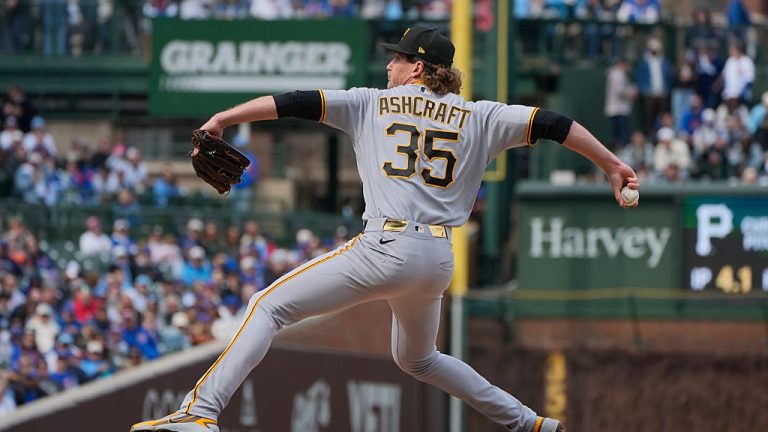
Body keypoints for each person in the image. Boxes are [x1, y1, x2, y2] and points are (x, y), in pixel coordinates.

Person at [130, 26, 638, 432]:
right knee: (418, 358)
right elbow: (554, 123)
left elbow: (293, 101)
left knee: (268, 305)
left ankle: (200, 413)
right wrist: (612, 165)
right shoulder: (481, 115)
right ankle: (526, 422)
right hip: (437, 260)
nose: (389, 64)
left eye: (397, 57)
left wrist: (224, 117)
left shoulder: (370, 102)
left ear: (419, 66)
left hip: (386, 245)